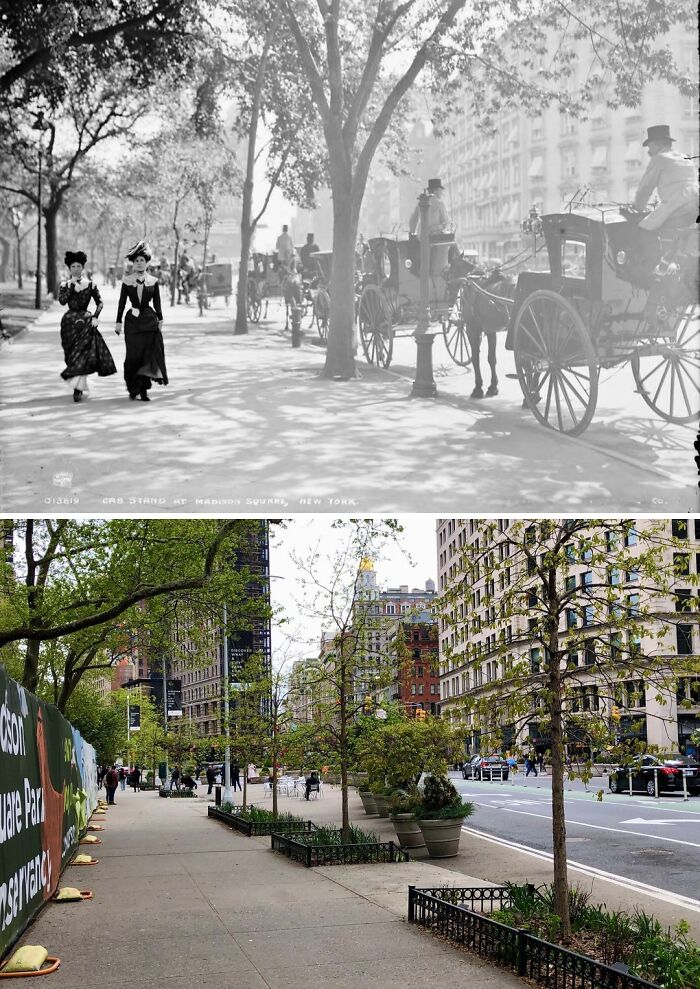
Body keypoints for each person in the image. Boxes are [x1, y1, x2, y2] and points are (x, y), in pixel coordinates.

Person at [58, 250, 116, 402]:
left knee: (83, 354)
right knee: (70, 355)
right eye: (73, 266)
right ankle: (79, 382)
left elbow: (100, 302)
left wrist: (95, 316)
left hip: (85, 322)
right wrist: (71, 286)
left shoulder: (90, 285)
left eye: (78, 266)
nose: (76, 268)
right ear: (69, 269)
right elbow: (62, 301)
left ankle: (78, 389)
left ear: (82, 267)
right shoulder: (64, 285)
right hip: (69, 323)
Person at [115, 241, 168, 401]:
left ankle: (144, 389)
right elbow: (122, 302)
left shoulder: (153, 281)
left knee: (147, 356)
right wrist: (118, 322)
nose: (139, 263)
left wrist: (160, 318)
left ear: (146, 263)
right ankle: (133, 387)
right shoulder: (127, 280)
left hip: (148, 321)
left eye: (142, 261)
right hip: (132, 323)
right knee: (133, 356)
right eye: (137, 261)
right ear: (133, 263)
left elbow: (157, 302)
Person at [634, 125, 698, 231]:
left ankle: (656, 248)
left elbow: (645, 188)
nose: (649, 151)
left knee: (643, 228)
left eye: (650, 147)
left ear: (658, 144)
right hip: (695, 207)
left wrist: (638, 207)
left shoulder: (660, 158)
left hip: (677, 209)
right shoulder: (685, 158)